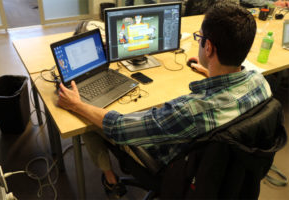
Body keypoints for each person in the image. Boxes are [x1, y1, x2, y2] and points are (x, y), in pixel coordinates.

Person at [57, 1, 272, 199]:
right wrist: (209, 71)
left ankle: (110, 179)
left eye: (200, 38)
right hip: (226, 174)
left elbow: (119, 127)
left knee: (89, 120)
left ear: (209, 48)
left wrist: (77, 104)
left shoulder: (190, 111)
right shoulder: (260, 82)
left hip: (172, 167)